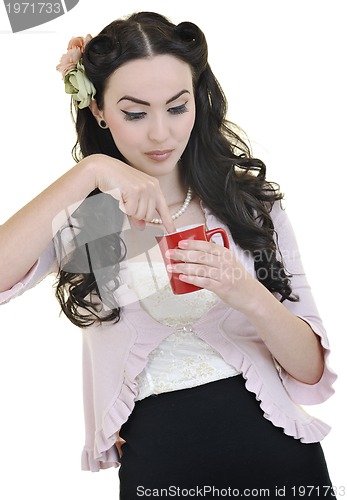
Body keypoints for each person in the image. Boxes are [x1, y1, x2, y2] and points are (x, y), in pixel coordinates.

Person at [0, 11, 337, 499]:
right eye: (135, 113)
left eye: (177, 107)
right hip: (160, 468)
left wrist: (246, 292)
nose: (160, 134)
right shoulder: (90, 221)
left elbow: (309, 369)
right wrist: (90, 171)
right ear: (97, 110)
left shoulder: (244, 205)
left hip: (281, 458)